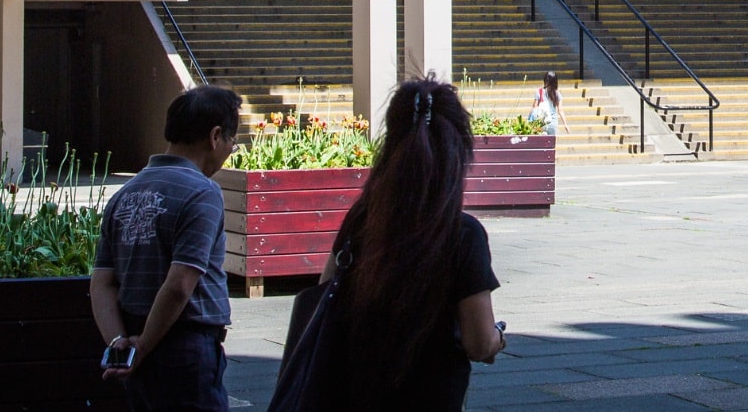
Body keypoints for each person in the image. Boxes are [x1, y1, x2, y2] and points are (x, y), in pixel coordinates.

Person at [280, 77, 504, 411]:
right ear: (457, 148)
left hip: (352, 394)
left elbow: (325, 291)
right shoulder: (463, 234)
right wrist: (499, 337)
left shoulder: (362, 219)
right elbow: (479, 342)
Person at [91, 84, 243, 412]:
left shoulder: (124, 194)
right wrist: (144, 345)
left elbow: (101, 282)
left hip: (132, 346)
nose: (230, 150)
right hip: (187, 348)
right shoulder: (202, 193)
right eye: (233, 141)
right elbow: (179, 285)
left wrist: (120, 344)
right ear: (215, 136)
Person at [529, 72, 564, 136]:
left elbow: (534, 107)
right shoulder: (557, 93)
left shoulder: (539, 91)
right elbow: (560, 110)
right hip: (552, 123)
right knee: (550, 141)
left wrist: (529, 119)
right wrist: (565, 124)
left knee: (541, 140)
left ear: (545, 80)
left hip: (541, 122)